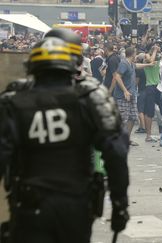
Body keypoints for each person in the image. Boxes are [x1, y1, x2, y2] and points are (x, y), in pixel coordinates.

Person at [0, 36, 130, 243]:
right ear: (72, 66)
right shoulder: (90, 98)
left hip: (29, 206)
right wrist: (120, 205)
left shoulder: (13, 101)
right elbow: (116, 153)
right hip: (76, 204)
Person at [113, 47, 156, 146]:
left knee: (132, 117)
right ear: (132, 54)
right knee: (123, 118)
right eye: (135, 53)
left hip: (131, 95)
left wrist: (148, 64)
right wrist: (125, 91)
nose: (136, 55)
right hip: (123, 96)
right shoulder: (124, 63)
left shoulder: (131, 64)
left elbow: (137, 65)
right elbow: (117, 76)